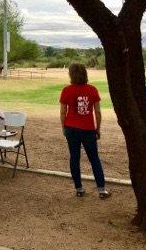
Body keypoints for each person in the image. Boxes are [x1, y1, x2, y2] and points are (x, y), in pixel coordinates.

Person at [59, 63, 110, 199]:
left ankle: (79, 189)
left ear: (71, 75)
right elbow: (97, 112)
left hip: (71, 128)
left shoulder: (66, 90)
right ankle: (102, 190)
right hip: (88, 129)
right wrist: (97, 129)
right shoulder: (92, 90)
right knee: (94, 158)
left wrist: (64, 127)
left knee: (74, 158)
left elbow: (63, 112)